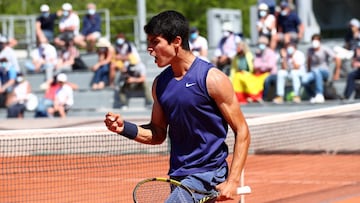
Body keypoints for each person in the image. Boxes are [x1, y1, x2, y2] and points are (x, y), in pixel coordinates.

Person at [104, 10, 250, 202]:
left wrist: (232, 181)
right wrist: (125, 128)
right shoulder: (160, 84)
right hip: (178, 175)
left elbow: (242, 131)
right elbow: (157, 133)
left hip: (208, 173)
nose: (150, 49)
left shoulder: (212, 79)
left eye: (155, 42)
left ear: (177, 41)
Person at [302, 34, 341, 103]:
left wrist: (337, 72)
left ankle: (319, 94)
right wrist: (308, 71)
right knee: (304, 79)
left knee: (317, 71)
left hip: (324, 72)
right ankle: (312, 96)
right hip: (313, 72)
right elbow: (308, 62)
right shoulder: (310, 50)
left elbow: (337, 59)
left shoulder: (325, 49)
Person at [253, 36, 278, 101]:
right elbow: (255, 65)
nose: (261, 45)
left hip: (271, 74)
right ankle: (255, 97)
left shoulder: (271, 53)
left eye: (263, 43)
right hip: (261, 74)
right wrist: (264, 66)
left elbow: (270, 66)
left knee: (266, 80)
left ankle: (264, 98)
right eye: (260, 43)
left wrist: (261, 67)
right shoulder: (258, 53)